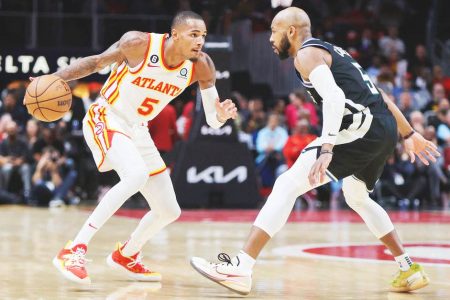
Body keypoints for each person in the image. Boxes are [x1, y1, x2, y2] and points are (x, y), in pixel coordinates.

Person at [190, 7, 439, 295]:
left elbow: (333, 99)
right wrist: (407, 132)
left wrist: (327, 147)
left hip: (360, 129)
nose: (270, 38)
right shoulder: (334, 51)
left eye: (274, 30)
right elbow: (380, 95)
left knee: (286, 184)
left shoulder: (306, 55)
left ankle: (241, 267)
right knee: (357, 196)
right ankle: (407, 266)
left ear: (291, 31)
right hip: (381, 128)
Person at [27, 11, 237, 284]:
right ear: (175, 34)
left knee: (169, 210)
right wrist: (55, 78)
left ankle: (126, 255)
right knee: (136, 176)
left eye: (203, 36)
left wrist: (221, 115)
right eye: (193, 35)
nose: (200, 41)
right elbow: (96, 62)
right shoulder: (139, 44)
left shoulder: (202, 65)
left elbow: (212, 118)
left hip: (138, 130)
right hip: (107, 116)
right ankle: (74, 249)